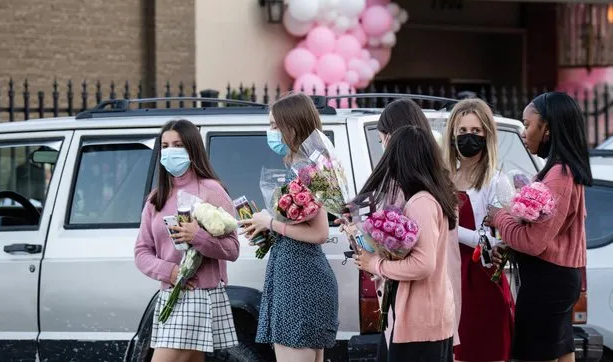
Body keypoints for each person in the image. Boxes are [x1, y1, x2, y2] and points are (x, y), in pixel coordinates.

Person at [340, 98, 462, 359]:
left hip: (420, 319)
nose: (383, 148)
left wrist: (375, 264)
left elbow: (423, 264)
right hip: (415, 314)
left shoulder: (421, 201)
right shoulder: (431, 192)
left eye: (384, 139)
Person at [486, 92, 592, 362]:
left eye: (528, 124)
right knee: (561, 350)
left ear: (547, 128)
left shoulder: (559, 176)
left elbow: (534, 242)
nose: (523, 132)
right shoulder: (562, 170)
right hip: (557, 279)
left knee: (537, 354)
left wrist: (498, 215)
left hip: (548, 281)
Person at [238, 93, 339, 362]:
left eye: (274, 126)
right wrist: (268, 230)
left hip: (300, 280)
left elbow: (319, 233)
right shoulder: (304, 166)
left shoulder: (308, 169)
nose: (270, 132)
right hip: (297, 275)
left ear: (291, 127)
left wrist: (270, 222)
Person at [134, 119, 240, 362]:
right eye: (165, 145)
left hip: (200, 295)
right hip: (170, 294)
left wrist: (199, 237)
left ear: (192, 149)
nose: (170, 151)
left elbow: (233, 249)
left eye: (178, 145)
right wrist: (170, 272)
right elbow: (142, 252)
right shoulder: (156, 199)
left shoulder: (211, 190)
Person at [442, 98, 514, 362]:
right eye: (462, 132)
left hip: (483, 278)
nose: (468, 138)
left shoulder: (497, 180)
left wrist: (450, 230)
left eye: (475, 132)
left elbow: (500, 238)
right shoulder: (444, 179)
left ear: (487, 136)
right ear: (452, 134)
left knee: (487, 351)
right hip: (449, 278)